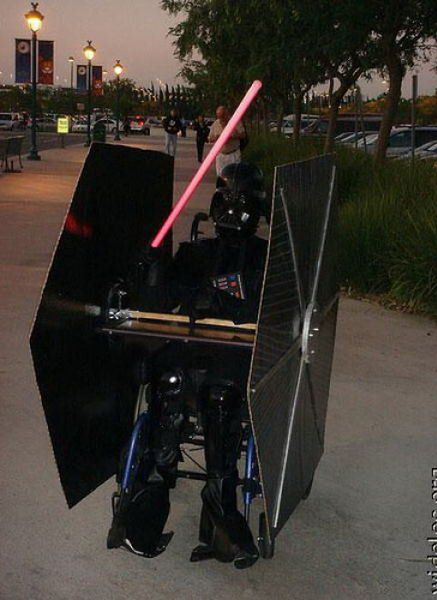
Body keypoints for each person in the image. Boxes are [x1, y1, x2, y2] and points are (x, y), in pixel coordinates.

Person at [109, 162, 270, 568]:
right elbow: (160, 302)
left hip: (234, 357)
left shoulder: (267, 259)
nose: (233, 210)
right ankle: (153, 492)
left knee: (219, 395)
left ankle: (220, 501)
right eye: (227, 200)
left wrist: (223, 299)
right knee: (171, 380)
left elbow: (267, 309)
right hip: (188, 348)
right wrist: (150, 273)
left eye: (241, 201)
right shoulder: (196, 253)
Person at [208, 106, 245, 178]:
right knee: (220, 177)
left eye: (222, 116)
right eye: (219, 116)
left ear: (226, 114)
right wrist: (216, 138)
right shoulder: (216, 124)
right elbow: (209, 138)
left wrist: (231, 136)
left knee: (234, 176)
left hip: (233, 154)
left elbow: (243, 135)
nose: (221, 119)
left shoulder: (235, 121)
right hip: (221, 155)